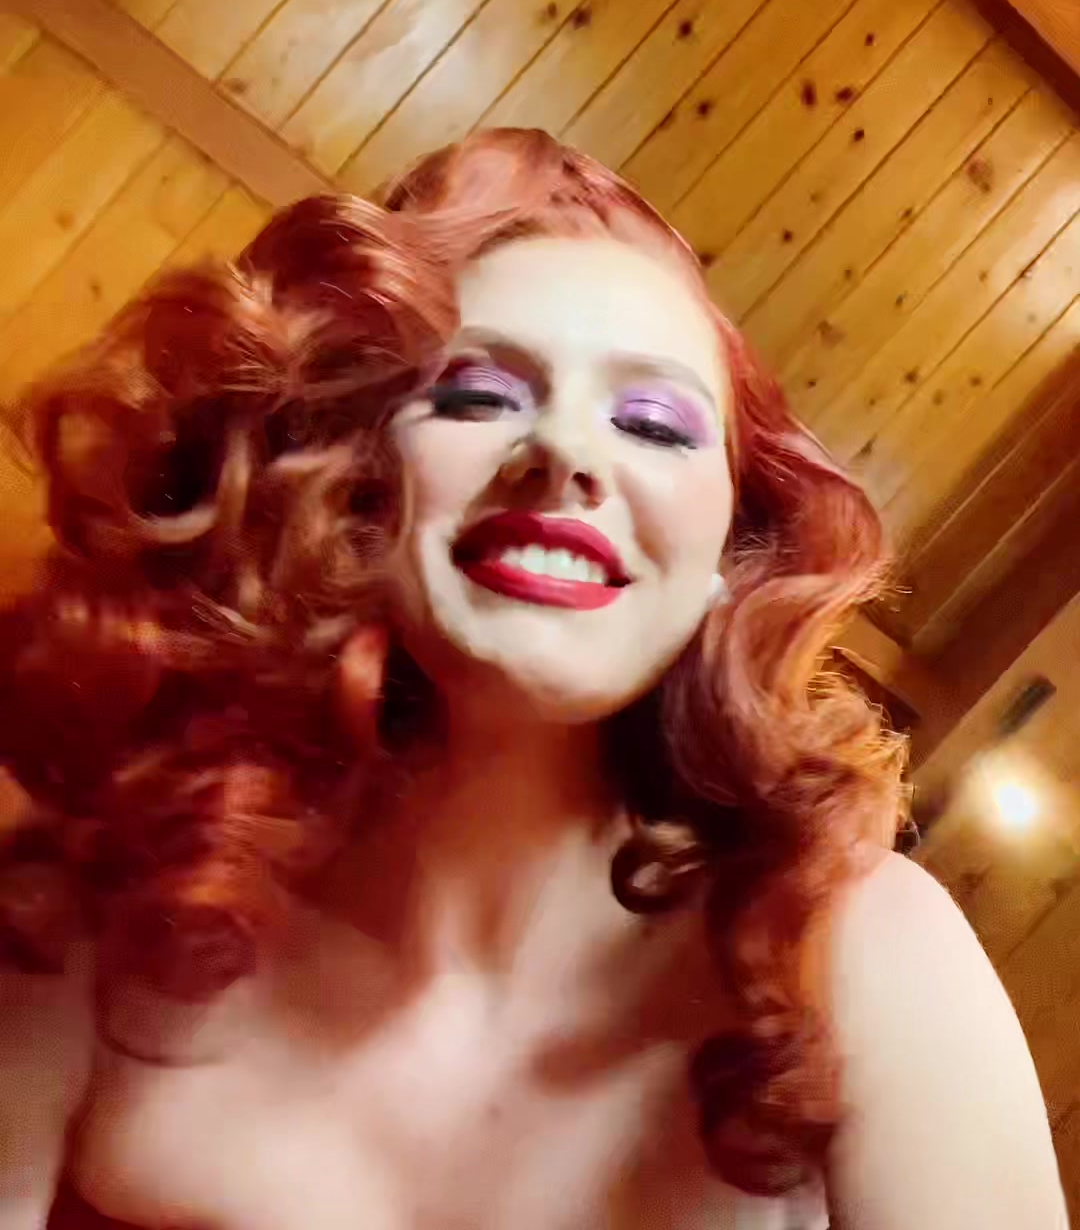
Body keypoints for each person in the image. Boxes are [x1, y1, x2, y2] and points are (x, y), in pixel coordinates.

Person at [0, 129, 1066, 1230]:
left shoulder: (865, 958)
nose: (567, 453)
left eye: (653, 423)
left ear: (727, 557)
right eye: (476, 397)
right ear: (348, 482)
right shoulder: (102, 898)